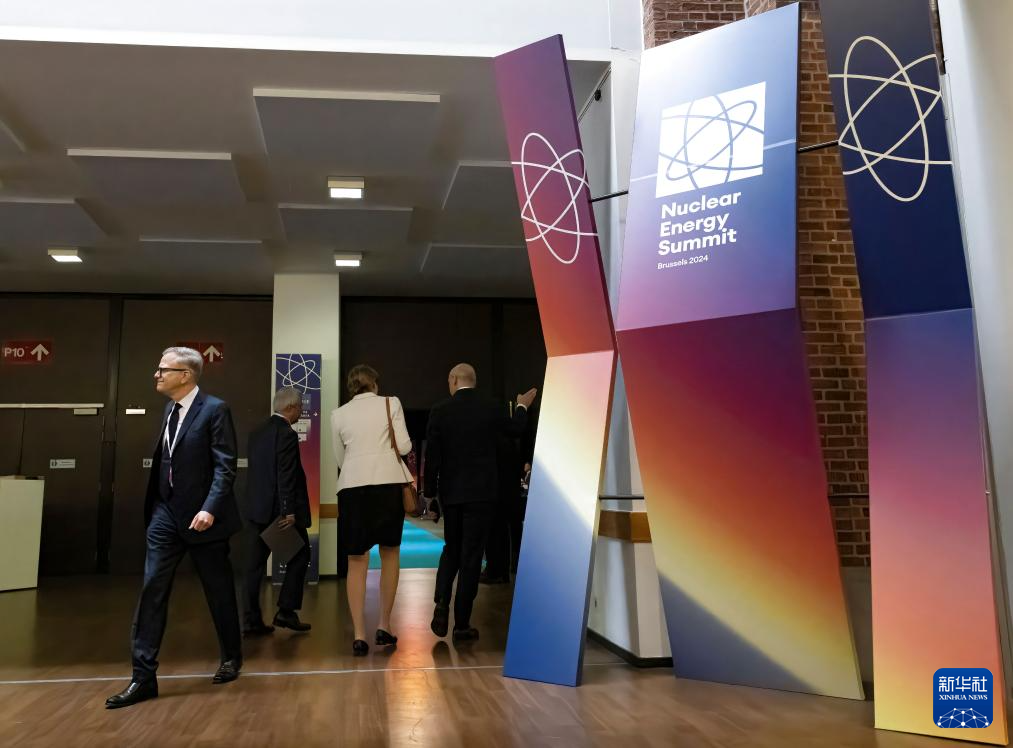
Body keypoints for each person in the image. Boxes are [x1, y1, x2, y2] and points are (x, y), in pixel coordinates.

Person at [106, 347, 243, 709]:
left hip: (203, 518)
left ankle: (231, 657)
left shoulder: (215, 410)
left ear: (186, 375)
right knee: (152, 589)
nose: (157, 374)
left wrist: (210, 508)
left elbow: (225, 465)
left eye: (164, 369)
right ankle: (142, 677)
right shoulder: (169, 410)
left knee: (219, 591)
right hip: (165, 515)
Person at [424, 363, 537, 642]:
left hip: (452, 494)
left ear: (454, 380)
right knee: (472, 556)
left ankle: (441, 603)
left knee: (451, 549)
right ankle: (462, 624)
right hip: (483, 495)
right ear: (473, 381)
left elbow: (433, 457)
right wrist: (522, 406)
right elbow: (515, 429)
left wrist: (430, 495)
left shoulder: (440, 410)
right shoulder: (491, 407)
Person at [330, 364, 412, 656]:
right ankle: (384, 626)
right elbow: (404, 446)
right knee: (390, 553)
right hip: (387, 484)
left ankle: (359, 635)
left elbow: (340, 457)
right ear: (374, 383)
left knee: (356, 560)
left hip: (352, 487)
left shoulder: (338, 414)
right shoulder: (391, 403)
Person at [242, 387, 313, 636]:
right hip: (278, 514)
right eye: (300, 407)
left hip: (256, 510)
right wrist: (288, 510)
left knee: (254, 567)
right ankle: (286, 611)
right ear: (290, 407)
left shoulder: (256, 432)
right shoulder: (287, 434)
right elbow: (285, 474)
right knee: (301, 555)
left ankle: (250, 621)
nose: (301, 412)